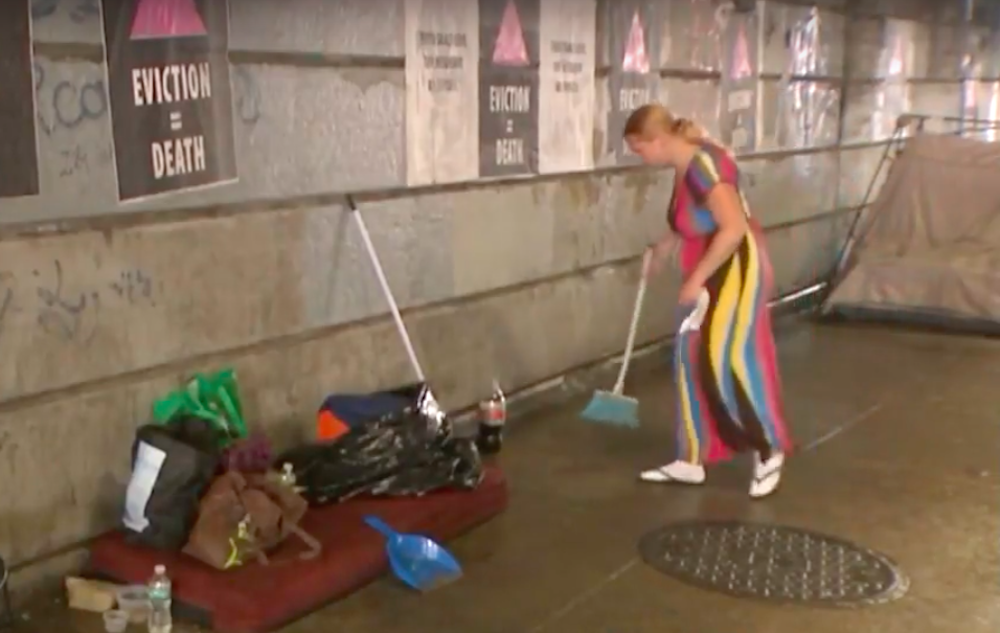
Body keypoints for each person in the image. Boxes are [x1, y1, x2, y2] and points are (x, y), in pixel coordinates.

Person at [623, 103, 792, 499]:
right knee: (688, 356)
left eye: (638, 148)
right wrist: (664, 248)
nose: (639, 158)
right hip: (708, 264)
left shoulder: (704, 166)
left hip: (735, 268)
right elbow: (689, 220)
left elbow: (732, 228)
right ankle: (691, 458)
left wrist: (696, 279)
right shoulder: (684, 166)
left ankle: (769, 449)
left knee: (726, 356)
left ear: (659, 140)